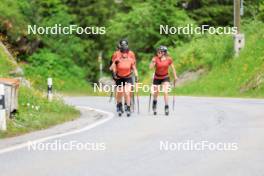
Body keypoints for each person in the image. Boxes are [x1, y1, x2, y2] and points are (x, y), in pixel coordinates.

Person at [110, 40, 138, 117]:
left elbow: (134, 64)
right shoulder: (116, 54)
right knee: (120, 92)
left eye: (125, 45)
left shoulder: (131, 53)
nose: (124, 50)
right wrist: (113, 75)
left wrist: (135, 75)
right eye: (122, 46)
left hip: (129, 74)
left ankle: (127, 105)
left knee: (128, 91)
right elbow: (112, 65)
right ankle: (119, 105)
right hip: (118, 75)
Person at [149, 45, 178, 115]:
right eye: (158, 51)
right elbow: (150, 67)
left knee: (165, 92)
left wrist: (175, 76)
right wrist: (153, 62)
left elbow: (173, 68)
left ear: (164, 53)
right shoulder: (155, 58)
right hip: (157, 77)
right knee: (156, 93)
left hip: (165, 77)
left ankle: (166, 107)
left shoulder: (169, 59)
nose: (158, 53)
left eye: (160, 51)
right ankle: (154, 103)